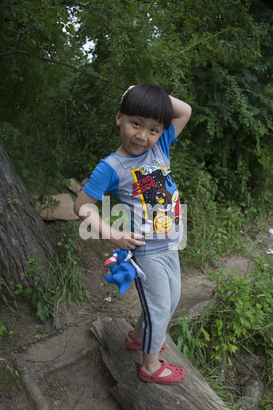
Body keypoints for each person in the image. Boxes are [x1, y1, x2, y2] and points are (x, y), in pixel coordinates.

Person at [74, 84, 192, 384]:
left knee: (172, 299)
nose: (142, 136)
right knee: (159, 308)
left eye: (153, 129)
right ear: (119, 118)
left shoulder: (160, 147)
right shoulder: (111, 167)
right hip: (145, 251)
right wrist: (114, 235)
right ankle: (150, 367)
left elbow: (185, 111)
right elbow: (82, 206)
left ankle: (138, 336)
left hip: (170, 246)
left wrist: (137, 90)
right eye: (135, 124)